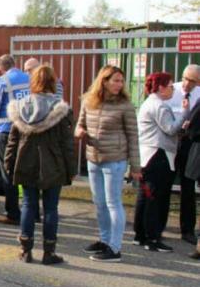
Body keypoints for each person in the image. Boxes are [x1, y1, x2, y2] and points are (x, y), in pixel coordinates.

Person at [5, 64, 75, 265]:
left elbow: (13, 140)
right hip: (53, 163)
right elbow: (66, 143)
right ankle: (49, 252)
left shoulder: (20, 106)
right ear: (53, 82)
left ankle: (26, 250)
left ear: (33, 82)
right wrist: (71, 169)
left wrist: (9, 164)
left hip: (26, 161)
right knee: (51, 208)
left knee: (28, 204)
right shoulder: (60, 108)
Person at [75, 66, 140, 262]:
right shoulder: (88, 101)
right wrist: (79, 132)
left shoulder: (125, 105)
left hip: (115, 160)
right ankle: (104, 240)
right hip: (93, 158)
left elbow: (133, 136)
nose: (119, 85)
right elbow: (80, 123)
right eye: (116, 80)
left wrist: (136, 166)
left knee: (113, 203)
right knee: (99, 203)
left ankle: (115, 247)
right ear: (104, 81)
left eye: (121, 81)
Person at [134, 72, 186, 253]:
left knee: (145, 196)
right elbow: (170, 129)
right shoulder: (159, 106)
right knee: (157, 198)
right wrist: (185, 114)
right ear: (161, 87)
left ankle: (140, 234)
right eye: (171, 86)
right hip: (159, 155)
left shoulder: (148, 104)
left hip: (148, 155)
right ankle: (153, 237)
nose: (173, 89)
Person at [0, 54, 29, 225]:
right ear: (15, 64)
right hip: (28, 130)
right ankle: (31, 211)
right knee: (27, 170)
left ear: (1, 68)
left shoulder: (1, 81)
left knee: (8, 173)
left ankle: (12, 212)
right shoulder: (30, 78)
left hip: (7, 131)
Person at [171, 65, 200, 244]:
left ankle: (187, 229)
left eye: (193, 81)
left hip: (190, 142)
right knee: (165, 182)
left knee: (188, 187)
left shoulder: (199, 94)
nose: (187, 84)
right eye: (185, 79)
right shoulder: (172, 90)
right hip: (172, 139)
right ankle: (156, 227)